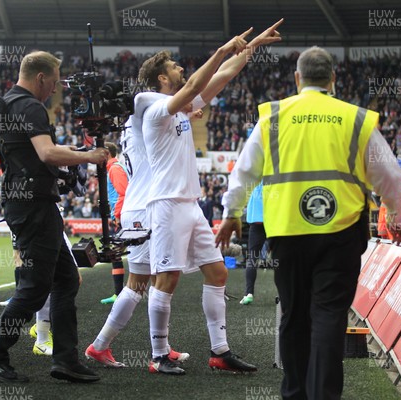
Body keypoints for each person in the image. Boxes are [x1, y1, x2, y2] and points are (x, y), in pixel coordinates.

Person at [216, 46, 401, 399]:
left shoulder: (273, 116)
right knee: (329, 316)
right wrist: (395, 213)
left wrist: (232, 214)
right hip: (342, 233)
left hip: (288, 232)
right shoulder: (355, 118)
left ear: (297, 78)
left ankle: (294, 393)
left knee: (293, 315)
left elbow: (244, 170)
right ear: (333, 79)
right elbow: (390, 175)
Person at [139, 19, 284, 375]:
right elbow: (193, 84)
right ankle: (159, 355)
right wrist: (222, 49)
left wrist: (251, 48)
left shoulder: (181, 106)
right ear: (161, 78)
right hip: (167, 204)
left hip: (190, 204)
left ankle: (220, 352)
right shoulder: (154, 107)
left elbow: (221, 77)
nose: (180, 68)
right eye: (173, 66)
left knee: (218, 272)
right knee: (167, 279)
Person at [0, 51, 108, 384]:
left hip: (26, 201)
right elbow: (46, 152)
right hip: (34, 204)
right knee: (34, 289)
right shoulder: (31, 106)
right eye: (55, 83)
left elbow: (18, 155)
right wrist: (88, 155)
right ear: (41, 78)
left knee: (65, 279)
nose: (55, 90)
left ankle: (65, 360)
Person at [85, 120, 189, 368]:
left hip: (139, 209)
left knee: (144, 282)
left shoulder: (131, 130)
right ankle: (152, 352)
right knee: (158, 279)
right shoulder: (149, 119)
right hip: (146, 210)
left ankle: (154, 347)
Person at [99, 142, 130, 305]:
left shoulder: (114, 169)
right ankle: (120, 293)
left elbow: (123, 193)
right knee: (117, 254)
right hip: (123, 215)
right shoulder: (116, 167)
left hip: (122, 216)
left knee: (118, 253)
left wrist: (117, 214)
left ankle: (122, 294)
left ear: (106, 153)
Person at [240, 182, 266, 305]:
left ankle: (248, 293)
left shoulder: (253, 179)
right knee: (280, 256)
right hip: (273, 220)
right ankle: (284, 295)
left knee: (252, 258)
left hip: (256, 222)